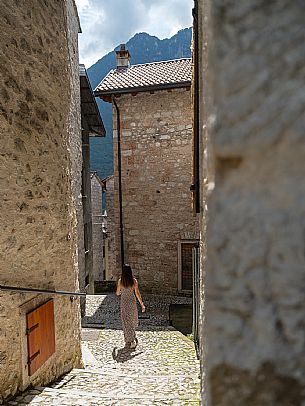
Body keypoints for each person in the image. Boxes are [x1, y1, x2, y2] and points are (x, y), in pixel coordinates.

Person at [116, 264, 145, 349]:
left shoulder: (120, 281)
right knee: (132, 320)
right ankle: (131, 339)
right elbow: (137, 293)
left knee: (126, 321)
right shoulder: (134, 281)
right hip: (132, 302)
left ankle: (129, 340)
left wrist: (121, 292)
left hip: (124, 302)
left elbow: (117, 293)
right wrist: (142, 304)